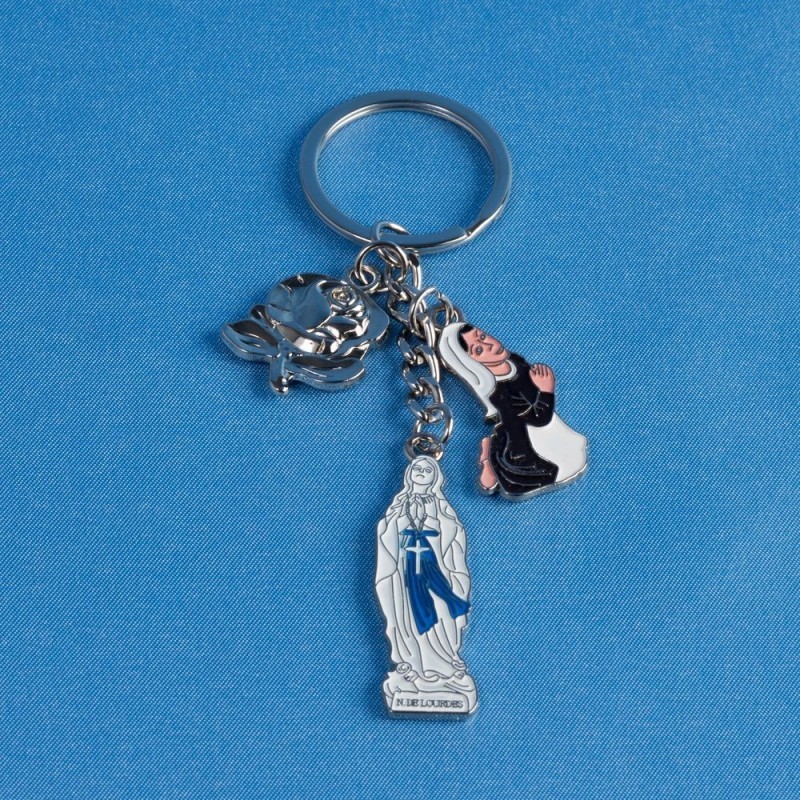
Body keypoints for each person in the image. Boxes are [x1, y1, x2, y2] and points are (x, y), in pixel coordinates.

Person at [438, 323, 588, 499]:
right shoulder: (499, 392)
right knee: (557, 469)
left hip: (543, 421)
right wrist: (546, 390)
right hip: (526, 440)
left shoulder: (515, 361)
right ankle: (490, 459)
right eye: (478, 350)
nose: (489, 345)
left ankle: (490, 448)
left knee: (573, 452)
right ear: (471, 363)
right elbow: (538, 419)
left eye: (482, 336)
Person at [375, 456, 472, 687]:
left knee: (439, 608)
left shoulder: (441, 505)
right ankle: (413, 663)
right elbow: (386, 532)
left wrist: (432, 522)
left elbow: (454, 533)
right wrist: (400, 524)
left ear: (435, 477)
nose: (421, 472)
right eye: (417, 468)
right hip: (405, 571)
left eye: (427, 470)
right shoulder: (399, 503)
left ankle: (444, 661)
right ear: (409, 474)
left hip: (435, 567)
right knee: (407, 612)